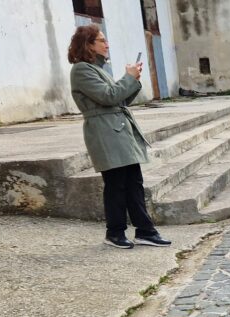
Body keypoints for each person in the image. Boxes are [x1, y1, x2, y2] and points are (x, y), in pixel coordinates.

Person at [68, 25, 170, 250]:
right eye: (101, 40)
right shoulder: (81, 70)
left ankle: (145, 231)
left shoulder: (98, 69)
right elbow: (108, 96)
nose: (107, 44)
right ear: (89, 45)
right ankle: (114, 232)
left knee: (134, 182)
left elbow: (119, 99)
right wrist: (128, 77)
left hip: (118, 129)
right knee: (116, 184)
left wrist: (133, 79)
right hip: (104, 132)